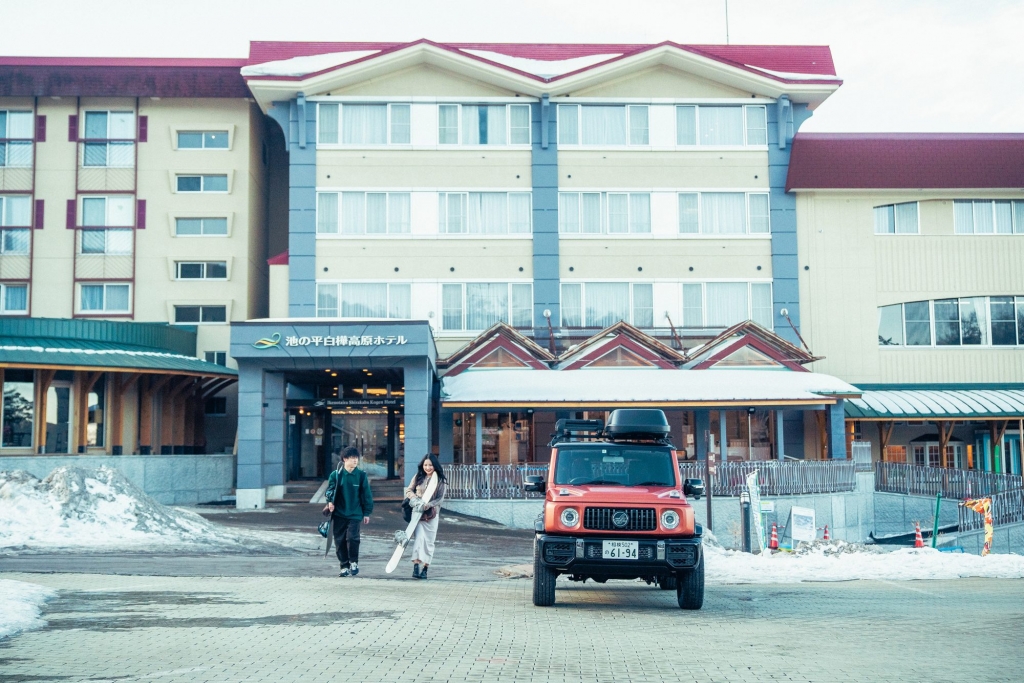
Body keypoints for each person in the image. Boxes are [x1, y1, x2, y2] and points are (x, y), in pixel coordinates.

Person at [323, 446, 373, 577]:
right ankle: (344, 566)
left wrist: (367, 513)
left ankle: (354, 562)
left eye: (356, 458)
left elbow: (367, 495)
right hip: (339, 513)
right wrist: (330, 502)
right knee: (339, 541)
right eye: (352, 458)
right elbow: (329, 491)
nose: (355, 460)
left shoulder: (361, 476)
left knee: (352, 538)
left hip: (355, 513)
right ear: (345, 459)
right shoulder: (336, 475)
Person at [404, 454, 447, 580]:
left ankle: (425, 568)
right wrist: (415, 499)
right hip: (418, 514)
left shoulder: (440, 480)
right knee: (419, 539)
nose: (428, 468)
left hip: (432, 515)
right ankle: (416, 566)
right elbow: (409, 490)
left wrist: (429, 504)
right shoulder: (418, 476)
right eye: (425, 465)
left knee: (429, 542)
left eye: (430, 465)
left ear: (435, 466)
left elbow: (440, 499)